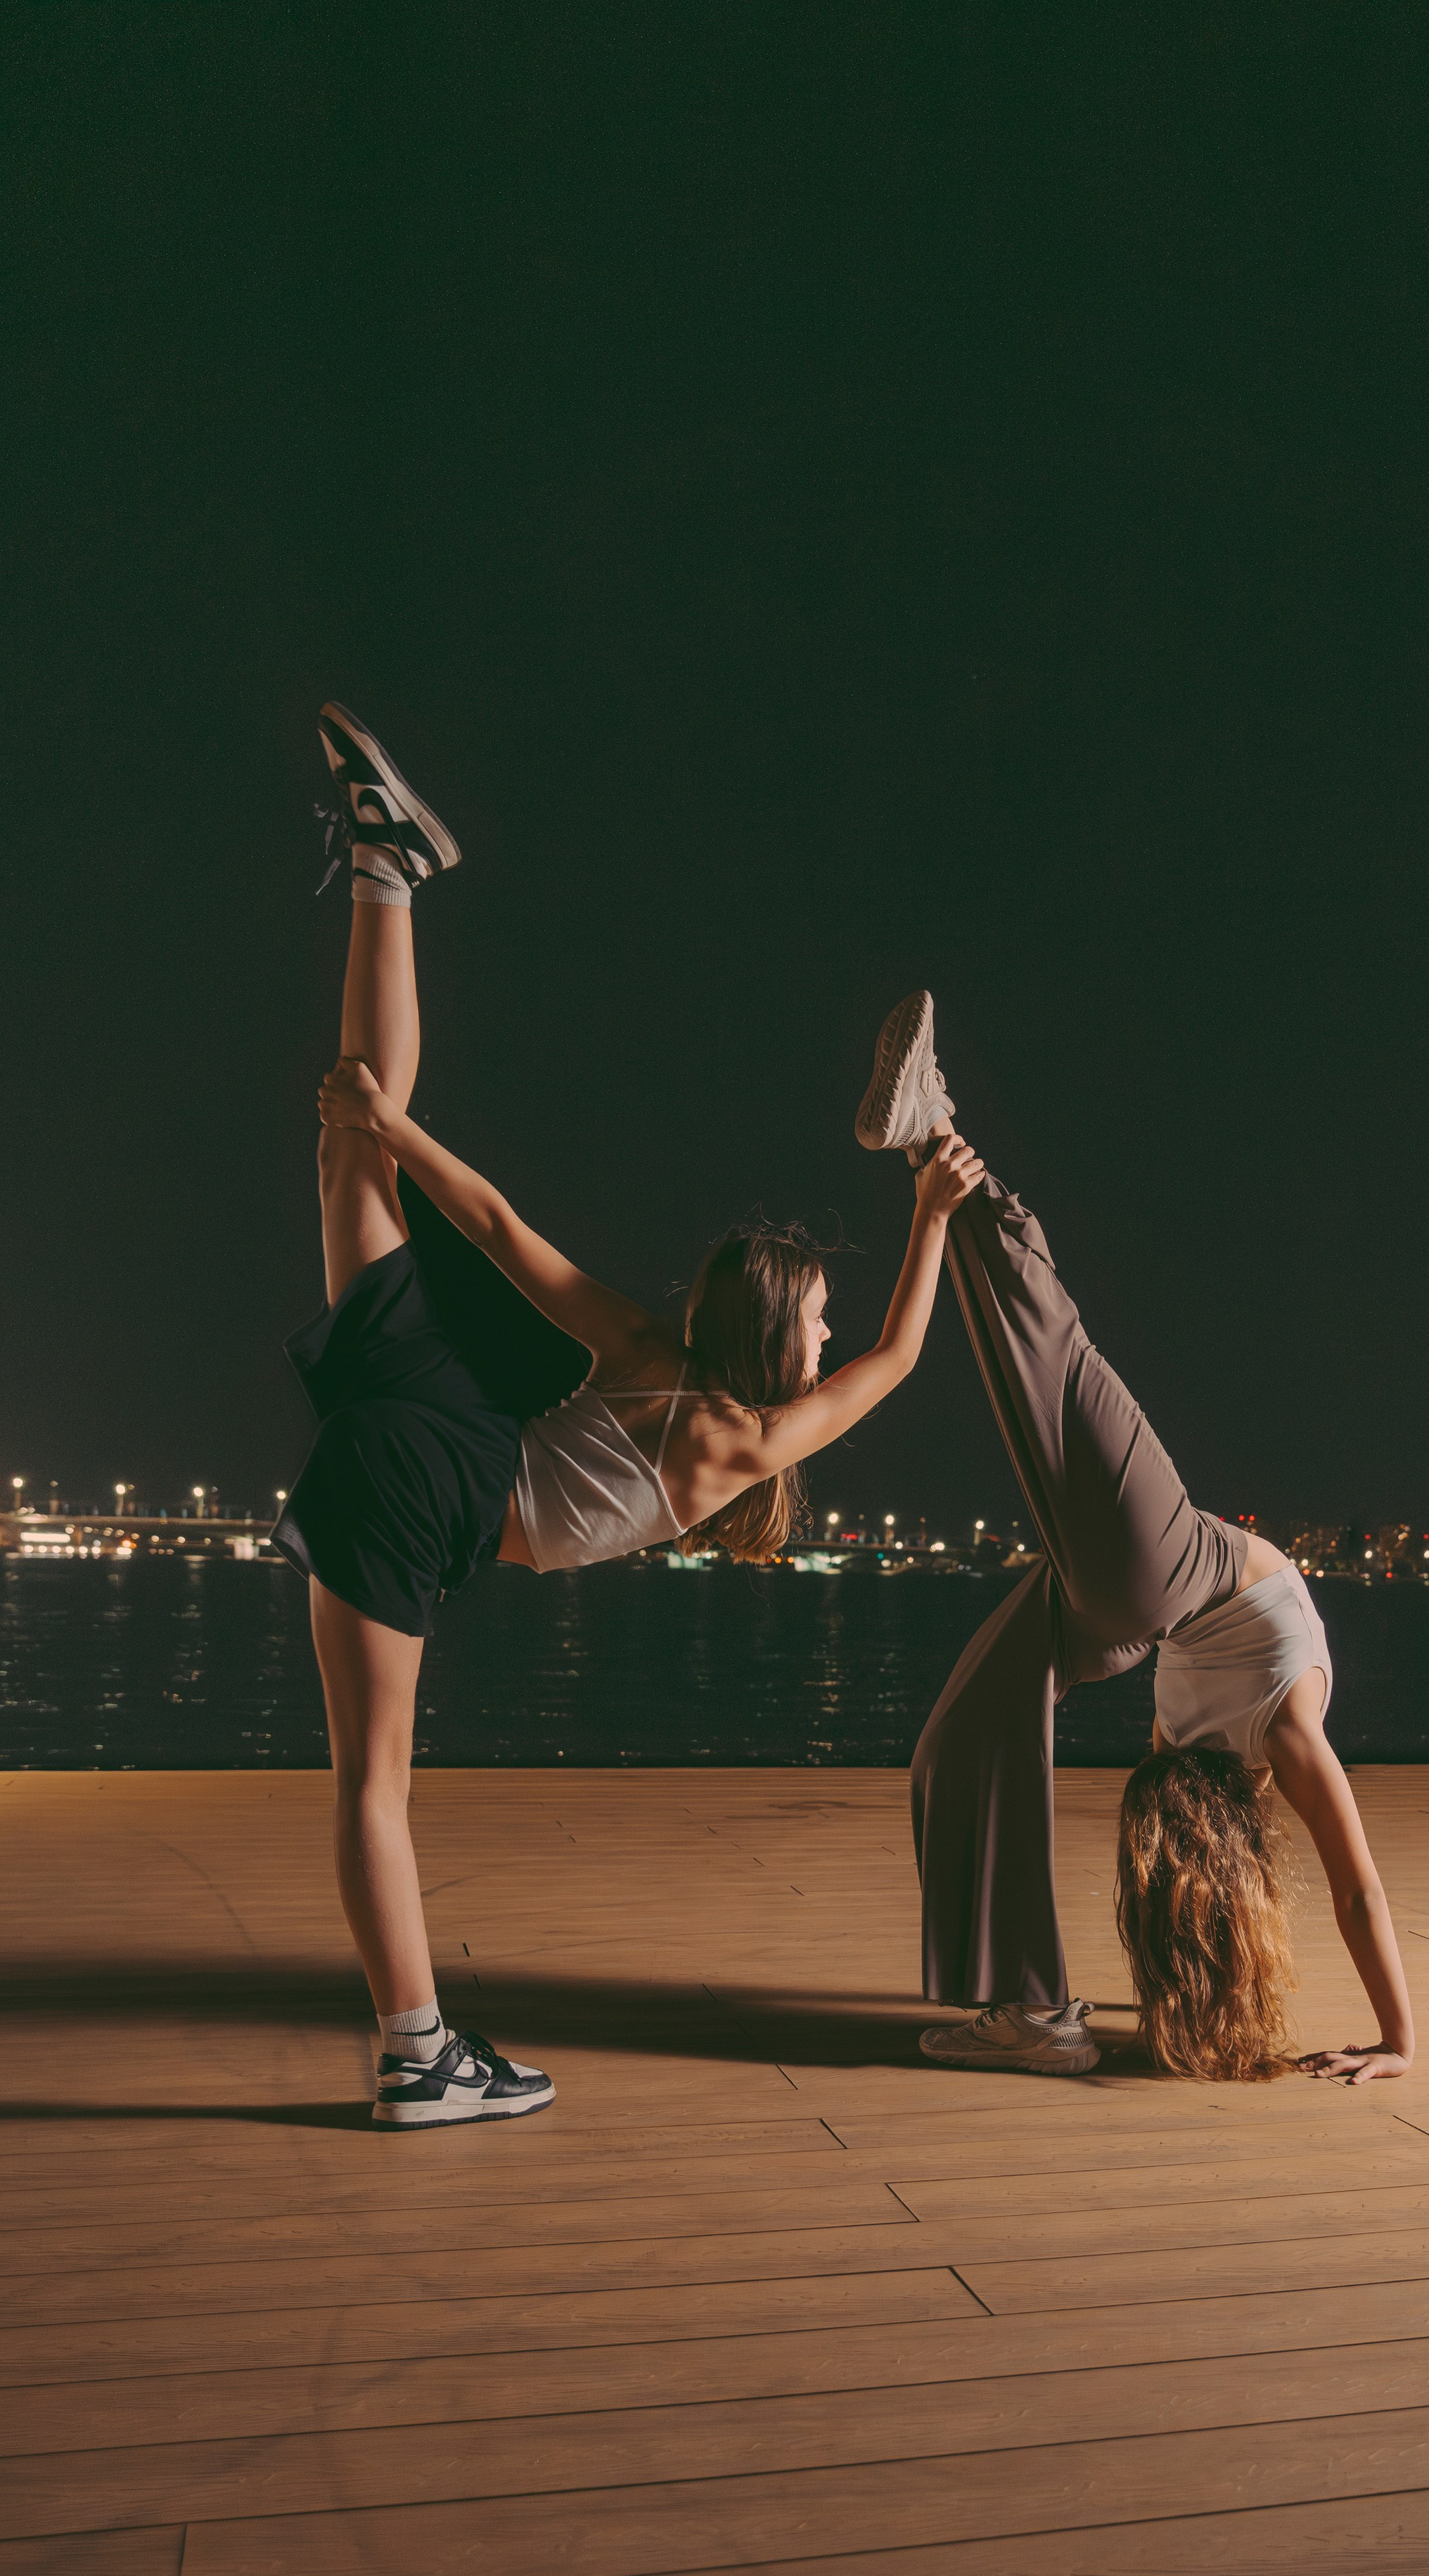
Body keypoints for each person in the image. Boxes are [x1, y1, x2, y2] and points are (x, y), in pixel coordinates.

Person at [281, 707, 985, 2129]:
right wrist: (931, 1212)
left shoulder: (652, 1353)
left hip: (439, 1413)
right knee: (372, 1788)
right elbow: (903, 1359)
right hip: (433, 1485)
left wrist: (392, 1123)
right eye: (816, 1318)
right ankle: (415, 2054)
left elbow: (495, 1226)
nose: (829, 1335)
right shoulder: (733, 1446)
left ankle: (385, 871)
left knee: (350, 1150)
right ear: (772, 1335)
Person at [852, 992, 1414, 2088]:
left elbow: (1359, 1889)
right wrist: (1385, 2037)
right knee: (963, 1740)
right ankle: (1030, 2011)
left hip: (1175, 1571)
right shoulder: (1227, 1750)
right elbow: (1353, 1886)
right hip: (1119, 1604)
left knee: (1057, 1368)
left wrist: (1403, 2044)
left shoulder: (1277, 1728)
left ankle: (935, 1128)